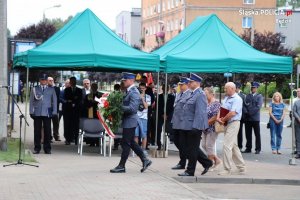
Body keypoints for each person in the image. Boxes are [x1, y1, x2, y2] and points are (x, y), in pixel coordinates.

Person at [110, 72, 152, 173]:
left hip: (131, 121)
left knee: (126, 143)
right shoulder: (129, 91)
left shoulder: (133, 92)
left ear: (131, 80)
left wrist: (118, 107)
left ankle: (122, 166)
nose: (123, 82)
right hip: (128, 121)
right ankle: (145, 159)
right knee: (131, 142)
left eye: (125, 80)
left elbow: (133, 109)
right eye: (123, 80)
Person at [178, 73, 213, 177]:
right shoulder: (191, 93)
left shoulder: (200, 94)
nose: (189, 83)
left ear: (197, 83)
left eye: (191, 82)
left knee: (192, 150)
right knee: (189, 148)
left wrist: (196, 127)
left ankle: (190, 171)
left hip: (194, 126)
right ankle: (207, 162)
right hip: (187, 125)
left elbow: (200, 113)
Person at [217, 82, 246, 176]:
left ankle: (227, 168)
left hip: (233, 123)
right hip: (227, 123)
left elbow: (232, 113)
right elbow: (221, 109)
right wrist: (218, 118)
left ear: (232, 89)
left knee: (226, 145)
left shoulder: (237, 99)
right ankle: (241, 167)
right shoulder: (227, 98)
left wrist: (223, 120)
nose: (225, 90)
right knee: (233, 145)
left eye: (226, 88)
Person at [30, 74, 57, 154]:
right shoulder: (35, 89)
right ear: (39, 80)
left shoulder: (51, 89)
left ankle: (47, 148)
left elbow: (54, 101)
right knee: (37, 131)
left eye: (45, 80)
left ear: (47, 81)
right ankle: (37, 148)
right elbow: (31, 101)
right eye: (42, 79)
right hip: (37, 112)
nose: (43, 81)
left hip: (47, 112)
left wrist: (55, 111)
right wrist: (31, 111)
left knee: (48, 131)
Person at [171, 77, 190, 170]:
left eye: (182, 85)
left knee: (183, 143)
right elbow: (176, 107)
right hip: (176, 121)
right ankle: (185, 156)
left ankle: (182, 162)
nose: (180, 86)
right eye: (180, 85)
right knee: (175, 140)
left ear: (187, 85)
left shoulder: (189, 94)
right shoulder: (179, 94)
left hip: (183, 122)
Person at [202, 87, 222, 167]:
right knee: (203, 145)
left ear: (211, 94)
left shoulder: (216, 103)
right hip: (204, 128)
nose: (204, 96)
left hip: (212, 128)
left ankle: (209, 164)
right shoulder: (206, 103)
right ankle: (216, 159)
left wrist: (205, 124)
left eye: (206, 94)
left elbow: (214, 117)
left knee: (209, 146)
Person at [243, 82, 263, 154]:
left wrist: (250, 113)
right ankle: (248, 148)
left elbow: (258, 107)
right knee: (248, 134)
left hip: (255, 118)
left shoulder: (259, 96)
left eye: (254, 88)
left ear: (257, 88)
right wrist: (246, 112)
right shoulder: (248, 96)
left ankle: (258, 149)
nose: (252, 89)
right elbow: (244, 105)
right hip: (248, 118)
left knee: (257, 134)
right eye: (252, 87)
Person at [83, 82, 104, 146]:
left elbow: (104, 104)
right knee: (91, 128)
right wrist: (92, 103)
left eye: (95, 87)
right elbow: (85, 105)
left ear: (97, 87)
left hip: (99, 115)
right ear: (91, 88)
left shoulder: (101, 95)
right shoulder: (88, 95)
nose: (94, 88)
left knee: (99, 129)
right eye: (93, 87)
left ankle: (98, 142)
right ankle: (91, 142)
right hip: (91, 114)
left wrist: (97, 102)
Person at [64, 77, 82, 145]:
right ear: (70, 82)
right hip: (68, 110)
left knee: (76, 126)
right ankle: (68, 139)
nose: (73, 82)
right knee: (68, 125)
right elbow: (66, 98)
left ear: (75, 82)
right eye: (71, 81)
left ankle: (76, 139)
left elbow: (79, 99)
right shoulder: (67, 89)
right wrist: (73, 99)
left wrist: (72, 100)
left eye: (74, 81)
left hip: (76, 111)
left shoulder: (79, 90)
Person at [135, 83, 151, 154]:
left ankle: (143, 150)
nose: (141, 89)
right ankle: (135, 150)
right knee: (136, 134)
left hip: (144, 118)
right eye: (140, 88)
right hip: (136, 117)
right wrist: (139, 98)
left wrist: (142, 99)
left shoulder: (148, 97)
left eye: (143, 88)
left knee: (144, 134)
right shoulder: (136, 96)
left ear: (145, 88)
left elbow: (146, 106)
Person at [48, 77, 61, 141]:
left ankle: (56, 135)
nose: (51, 81)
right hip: (47, 109)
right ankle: (49, 137)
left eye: (52, 80)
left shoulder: (57, 88)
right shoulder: (46, 88)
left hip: (55, 109)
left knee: (56, 123)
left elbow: (58, 98)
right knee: (48, 123)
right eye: (49, 80)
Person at [235, 82, 246, 151]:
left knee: (239, 132)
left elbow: (244, 106)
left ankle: (240, 146)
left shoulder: (242, 95)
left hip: (240, 116)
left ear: (238, 88)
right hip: (232, 117)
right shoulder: (231, 95)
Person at [293, 88, 300, 159]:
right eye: (297, 92)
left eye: (299, 91)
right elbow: (294, 111)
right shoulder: (296, 102)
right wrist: (298, 118)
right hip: (297, 122)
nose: (298, 93)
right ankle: (298, 152)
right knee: (298, 138)